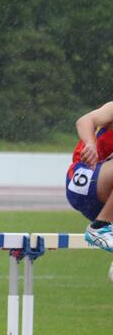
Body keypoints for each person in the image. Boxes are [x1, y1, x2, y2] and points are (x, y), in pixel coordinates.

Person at [66, 101, 113, 252]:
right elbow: (84, 121)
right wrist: (90, 143)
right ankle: (99, 228)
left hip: (103, 200)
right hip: (84, 178)